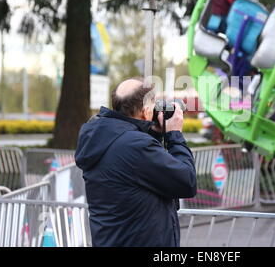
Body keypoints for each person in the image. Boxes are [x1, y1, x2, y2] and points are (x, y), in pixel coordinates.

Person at [75, 78, 197, 247]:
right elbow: (187, 181)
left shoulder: (103, 137)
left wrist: (151, 130)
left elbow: (138, 175)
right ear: (145, 110)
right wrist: (174, 134)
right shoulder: (136, 146)